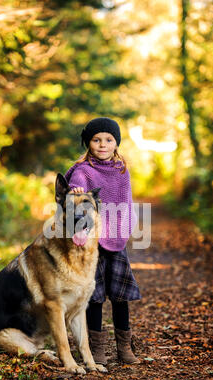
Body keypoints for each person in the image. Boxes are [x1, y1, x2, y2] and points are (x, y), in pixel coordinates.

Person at [64, 117, 141, 365]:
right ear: (88, 143)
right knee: (94, 297)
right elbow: (77, 186)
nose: (103, 144)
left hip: (115, 240)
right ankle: (96, 349)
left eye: (109, 139)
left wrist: (124, 228)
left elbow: (126, 201)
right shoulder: (83, 171)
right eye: (96, 140)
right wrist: (75, 192)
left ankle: (124, 348)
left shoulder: (121, 170)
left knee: (120, 295)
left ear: (116, 143)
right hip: (90, 242)